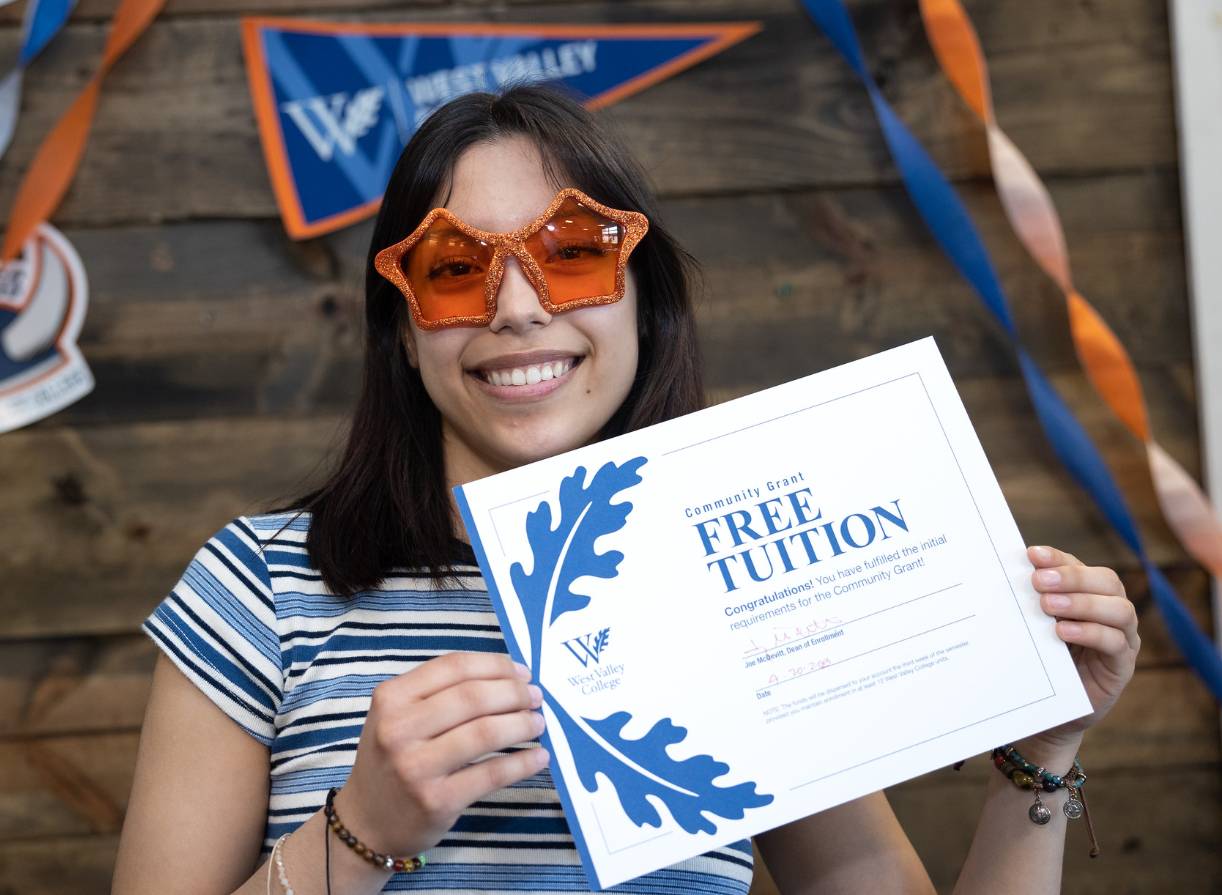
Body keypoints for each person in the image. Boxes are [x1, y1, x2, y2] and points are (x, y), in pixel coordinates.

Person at [112, 85, 1140, 895]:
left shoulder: (732, 590)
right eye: (457, 270)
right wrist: (362, 830)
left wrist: (1040, 755)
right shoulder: (260, 587)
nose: (515, 310)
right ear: (402, 324)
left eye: (569, 253)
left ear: (644, 302)